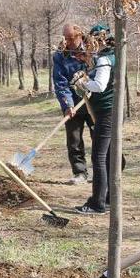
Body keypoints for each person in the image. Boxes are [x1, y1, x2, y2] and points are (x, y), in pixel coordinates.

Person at [71, 25, 116, 215]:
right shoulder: (109, 57)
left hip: (107, 113)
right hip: (107, 112)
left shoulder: (105, 59)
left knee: (99, 157)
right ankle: (107, 199)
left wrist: (83, 83)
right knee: (108, 157)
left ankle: (98, 203)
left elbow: (99, 85)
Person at [53, 24, 95, 185]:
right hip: (73, 104)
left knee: (98, 137)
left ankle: (100, 171)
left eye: (71, 38)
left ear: (79, 35)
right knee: (74, 139)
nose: (68, 42)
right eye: (65, 38)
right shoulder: (60, 55)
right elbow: (60, 82)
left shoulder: (92, 49)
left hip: (93, 103)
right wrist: (67, 104)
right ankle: (80, 172)